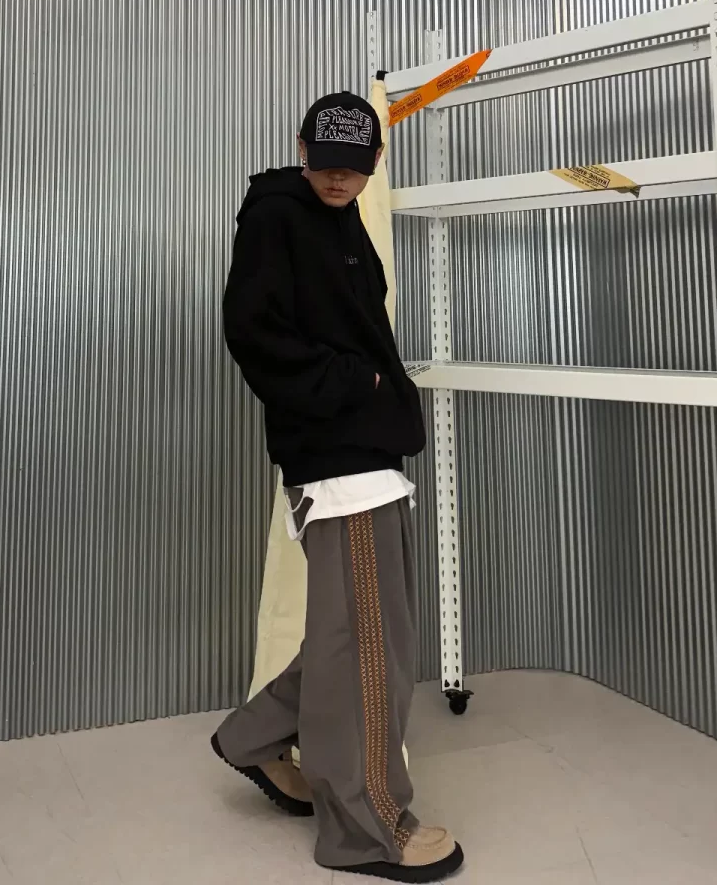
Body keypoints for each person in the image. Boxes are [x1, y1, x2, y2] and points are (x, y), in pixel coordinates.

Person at [212, 91, 464, 881]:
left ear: (374, 164)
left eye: (352, 170)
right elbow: (252, 331)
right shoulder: (277, 217)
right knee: (367, 646)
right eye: (324, 165)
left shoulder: (341, 217)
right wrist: (356, 387)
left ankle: (255, 737)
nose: (336, 180)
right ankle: (368, 826)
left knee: (353, 632)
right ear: (301, 148)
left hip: (366, 450)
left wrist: (378, 398)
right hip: (337, 455)